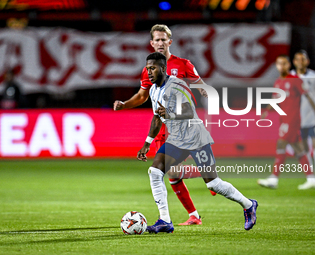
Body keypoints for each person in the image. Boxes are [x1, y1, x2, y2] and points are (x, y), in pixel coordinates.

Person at [137, 52, 258, 233]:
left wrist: (169, 114)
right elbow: (156, 117)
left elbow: (188, 111)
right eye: (147, 69)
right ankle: (165, 221)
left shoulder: (177, 86)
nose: (149, 72)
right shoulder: (154, 90)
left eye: (153, 68)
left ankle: (249, 205)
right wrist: (147, 143)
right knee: (154, 172)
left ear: (163, 68)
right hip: (177, 139)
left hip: (195, 136)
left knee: (213, 184)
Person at [114, 24, 214, 226]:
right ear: (151, 43)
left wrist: (206, 92)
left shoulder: (183, 64)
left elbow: (201, 85)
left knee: (172, 172)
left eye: (163, 39)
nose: (160, 43)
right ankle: (193, 214)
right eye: (156, 40)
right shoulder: (149, 69)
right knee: (171, 173)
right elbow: (143, 96)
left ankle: (207, 179)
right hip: (163, 126)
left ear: (170, 41)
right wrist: (125, 105)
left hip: (183, 125)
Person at [257, 55, 315, 190]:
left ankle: (274, 178)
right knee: (298, 149)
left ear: (289, 65)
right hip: (283, 118)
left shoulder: (295, 80)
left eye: (284, 64)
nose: (281, 66)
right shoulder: (278, 82)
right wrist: (266, 111)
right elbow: (275, 98)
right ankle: (311, 178)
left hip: (293, 119)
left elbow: (308, 96)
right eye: (279, 64)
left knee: (281, 143)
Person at [290, 50, 315, 174]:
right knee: (304, 148)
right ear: (294, 62)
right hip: (298, 119)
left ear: (307, 61)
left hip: (313, 118)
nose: (300, 62)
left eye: (303, 59)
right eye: (298, 59)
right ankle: (311, 176)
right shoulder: (289, 77)